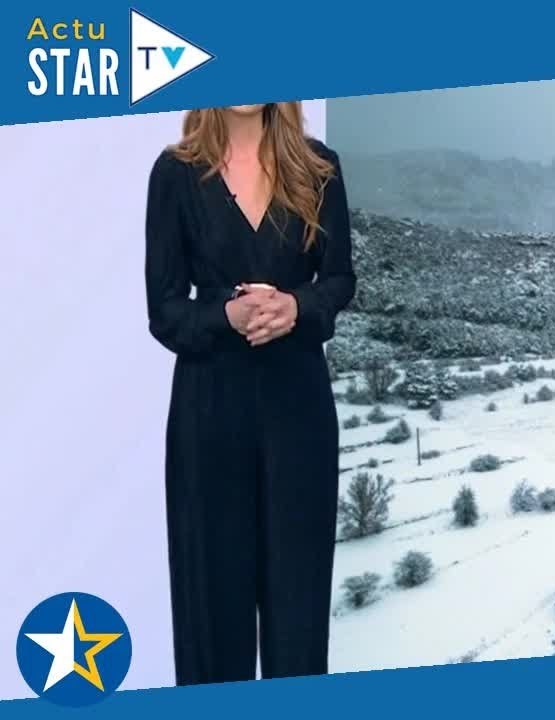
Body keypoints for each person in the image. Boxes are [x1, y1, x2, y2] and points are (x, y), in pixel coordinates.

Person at [143, 102, 355, 685]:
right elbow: (164, 309)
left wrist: (298, 307)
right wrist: (225, 317)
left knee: (299, 614)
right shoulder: (174, 173)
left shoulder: (320, 167)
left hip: (300, 409)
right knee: (211, 613)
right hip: (209, 412)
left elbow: (339, 279)